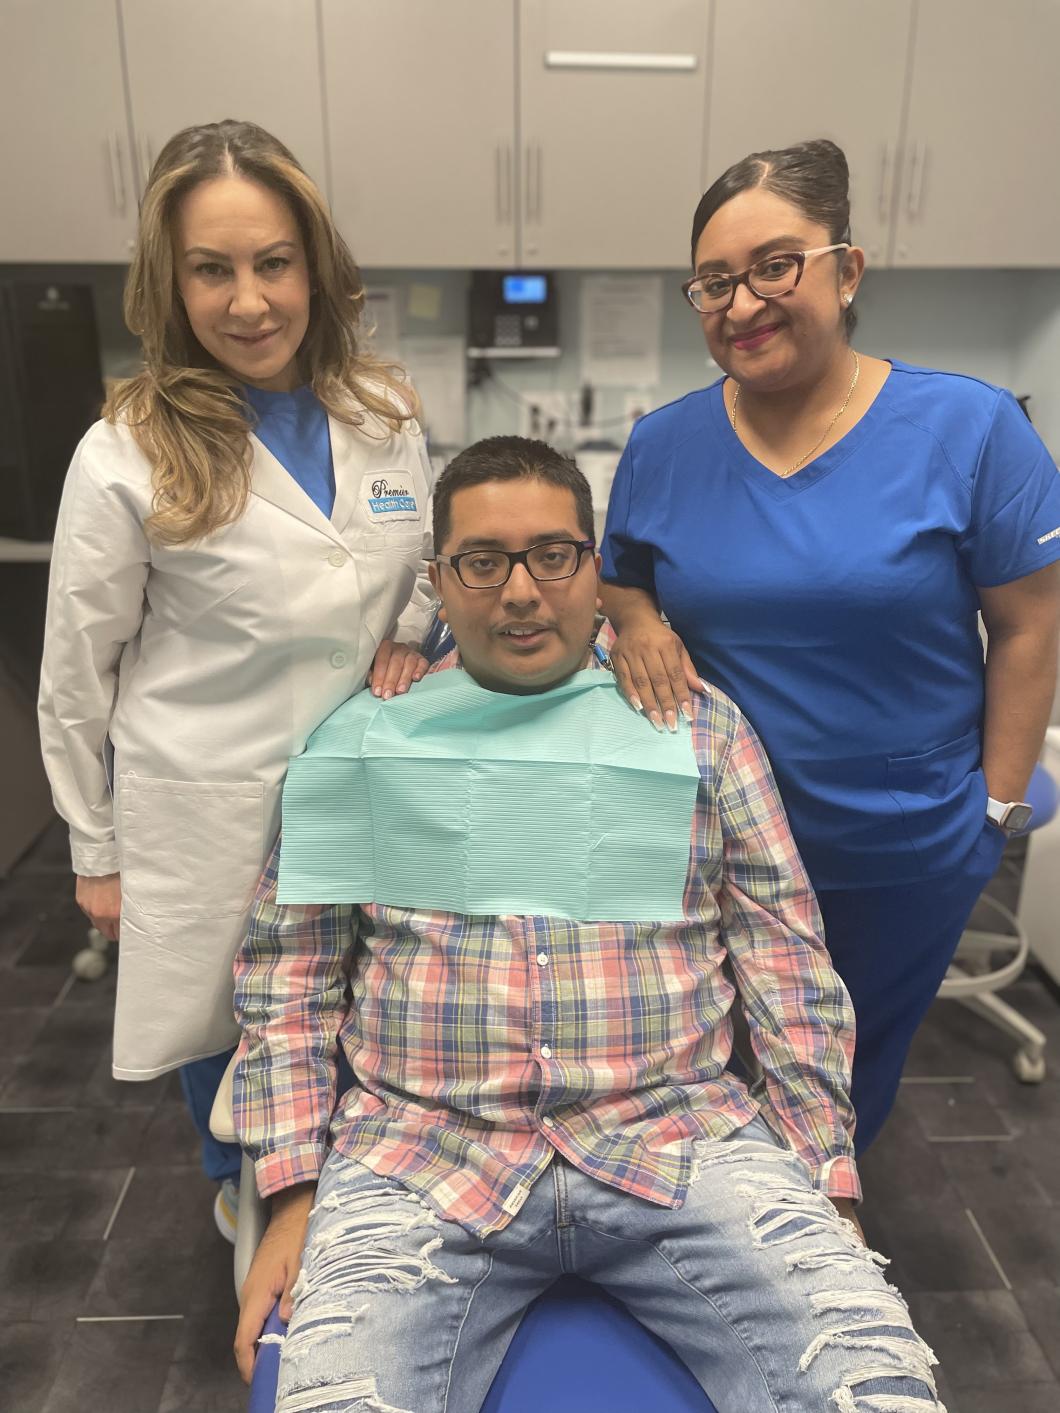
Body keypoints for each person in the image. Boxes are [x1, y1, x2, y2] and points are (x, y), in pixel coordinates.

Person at [231, 436, 946, 1412]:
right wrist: (291, 1195)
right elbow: (289, 979)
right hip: (418, 1156)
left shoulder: (696, 730)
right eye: (482, 562)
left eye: (551, 556)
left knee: (878, 1388)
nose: (520, 591)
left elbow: (785, 963)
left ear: (592, 566)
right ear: (438, 581)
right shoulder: (366, 742)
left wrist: (826, 1185)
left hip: (681, 1140)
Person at [599, 139, 1060, 1150]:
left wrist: (991, 805)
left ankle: (824, 1258)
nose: (742, 302)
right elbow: (620, 571)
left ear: (845, 269)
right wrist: (633, 619)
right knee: (711, 1069)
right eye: (714, 282)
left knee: (844, 1077)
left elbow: (1029, 624)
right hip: (712, 845)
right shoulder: (663, 446)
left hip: (902, 843)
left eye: (775, 265)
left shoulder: (967, 429)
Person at [37, 120, 432, 1236]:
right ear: (172, 283)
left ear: (316, 266)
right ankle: (246, 1212)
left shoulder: (384, 415)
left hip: (361, 793)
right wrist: (95, 849)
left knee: (362, 1017)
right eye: (212, 269)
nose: (247, 301)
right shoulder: (126, 449)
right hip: (204, 806)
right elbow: (76, 672)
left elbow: (415, 571)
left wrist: (413, 629)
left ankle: (339, 1211)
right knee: (224, 1034)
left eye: (271, 263)